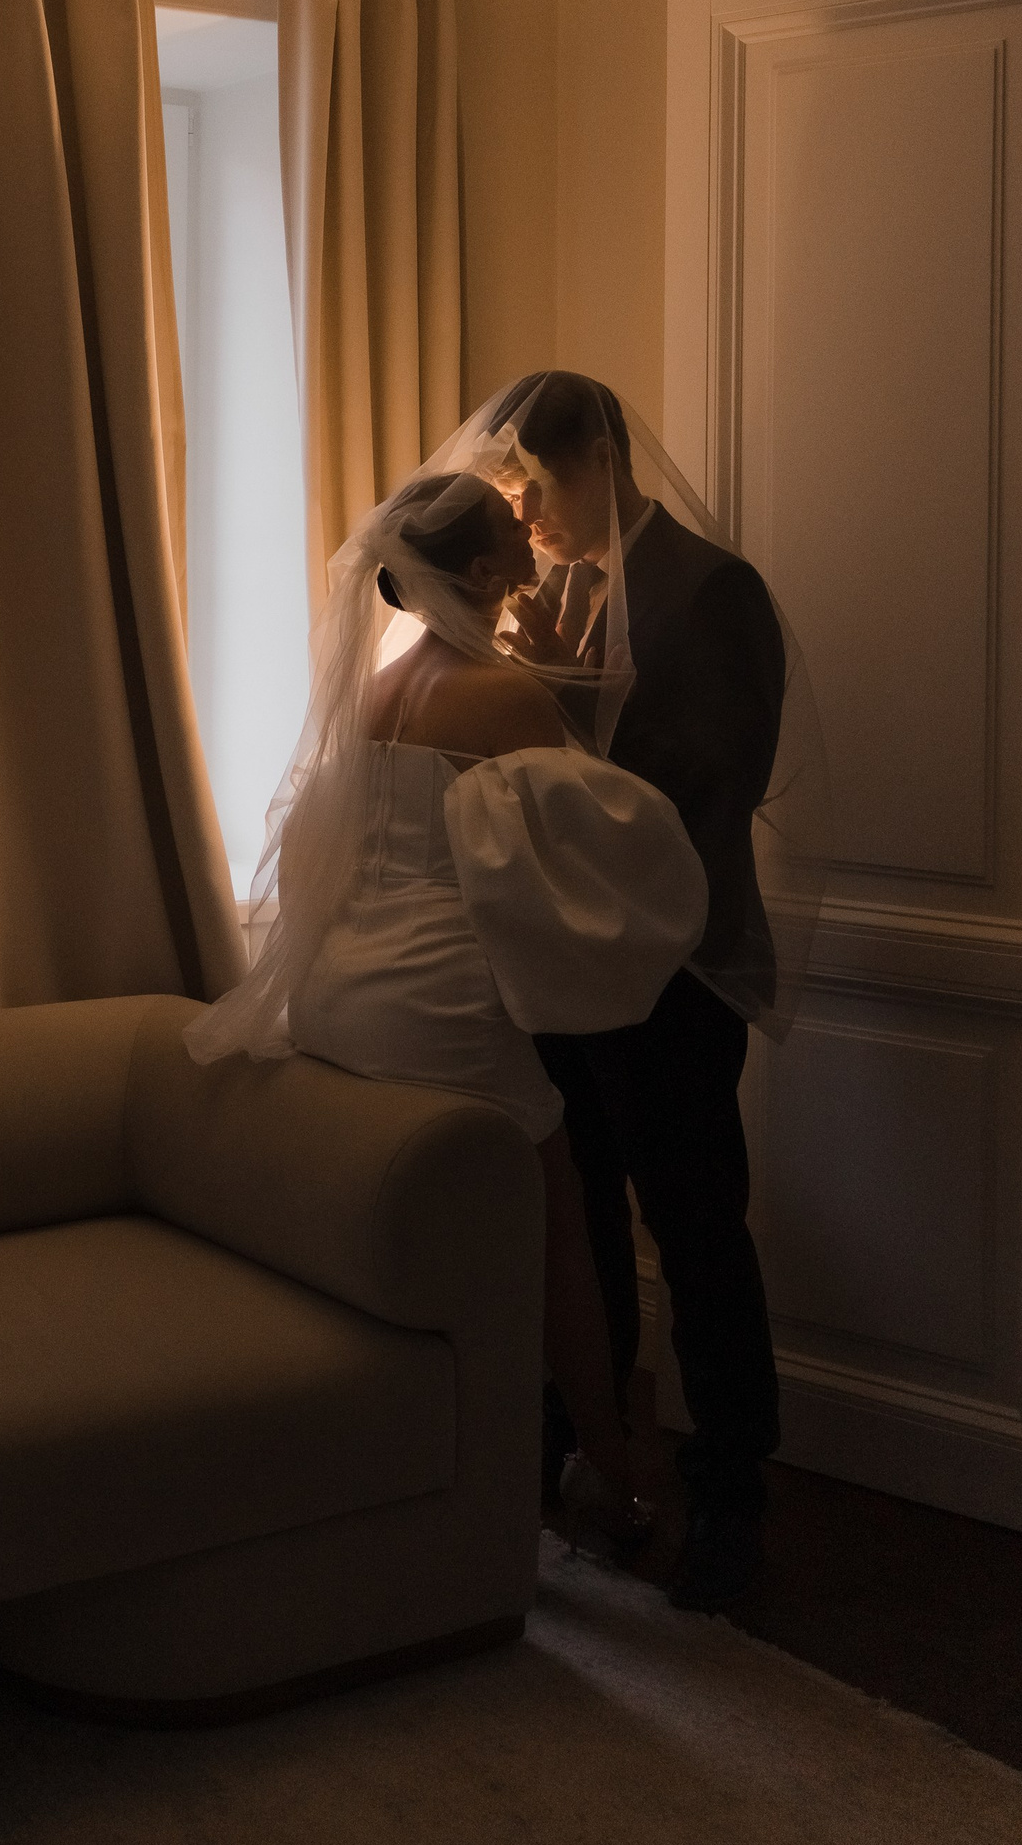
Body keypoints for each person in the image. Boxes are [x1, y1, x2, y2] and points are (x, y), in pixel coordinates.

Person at [188, 464, 710, 1556]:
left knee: (465, 1220)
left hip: (342, 990)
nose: (528, 533)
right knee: (562, 1217)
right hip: (439, 999)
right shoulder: (505, 696)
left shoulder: (379, 685)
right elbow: (600, 839)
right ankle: (610, 1466)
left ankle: (485, 1452)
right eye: (509, 531)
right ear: (478, 571)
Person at [488, 370, 792, 1613]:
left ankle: (732, 1490)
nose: (524, 514)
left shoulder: (714, 589)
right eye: (512, 492)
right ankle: (603, 1448)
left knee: (698, 1225)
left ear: (604, 458)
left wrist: (565, 702)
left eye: (537, 485)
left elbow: (714, 785)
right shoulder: (552, 595)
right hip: (568, 968)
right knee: (585, 1220)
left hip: (677, 970)